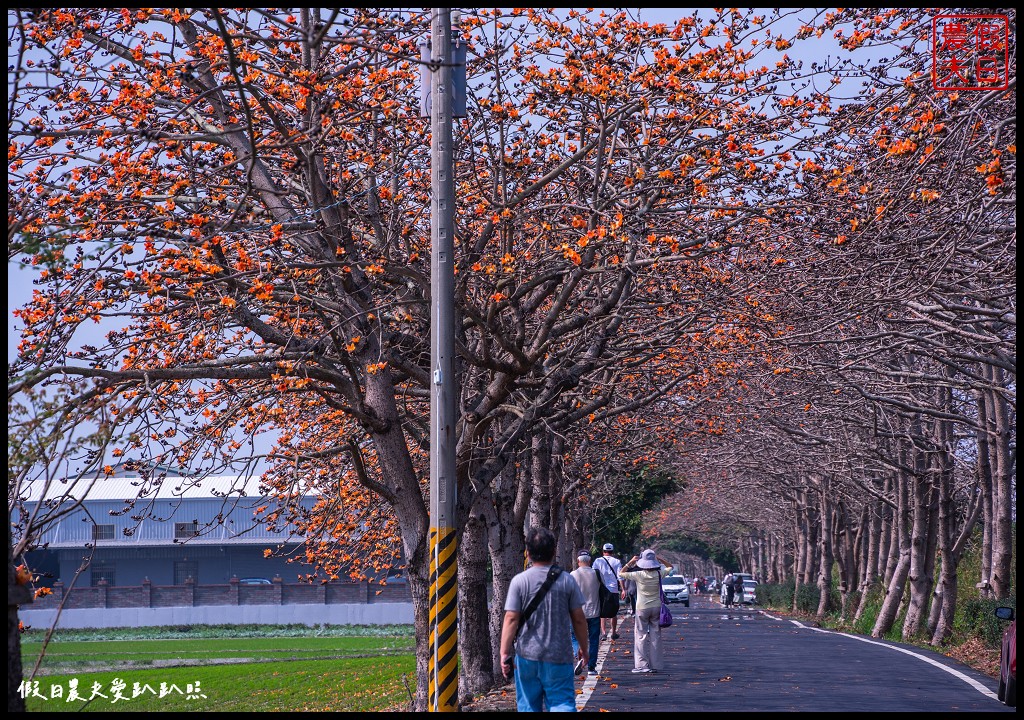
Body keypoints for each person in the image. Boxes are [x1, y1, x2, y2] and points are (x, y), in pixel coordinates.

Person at [500, 526, 589, 712]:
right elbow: (579, 619)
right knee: (562, 703)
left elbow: (510, 618)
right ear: (554, 551)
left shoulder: (519, 581)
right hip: (559, 655)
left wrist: (504, 653)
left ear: (528, 553)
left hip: (526, 656)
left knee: (528, 706)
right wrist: (583, 648)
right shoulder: (566, 580)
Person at [618, 548, 673, 674]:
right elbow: (670, 567)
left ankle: (642, 665)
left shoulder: (638, 575)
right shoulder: (659, 573)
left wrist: (630, 562)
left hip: (641, 608)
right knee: (656, 635)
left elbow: (621, 573)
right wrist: (660, 559)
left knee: (641, 635)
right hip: (657, 608)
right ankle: (656, 665)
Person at [569, 550, 602, 675]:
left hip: (576, 612)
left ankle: (581, 657)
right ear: (590, 561)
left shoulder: (572, 574)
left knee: (574, 637)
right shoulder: (596, 574)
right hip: (594, 611)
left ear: (578, 561)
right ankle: (591, 667)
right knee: (594, 639)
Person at [593, 543, 622, 640]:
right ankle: (613, 632)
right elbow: (620, 576)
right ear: (612, 552)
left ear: (603, 551)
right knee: (613, 612)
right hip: (613, 590)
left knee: (602, 611)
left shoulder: (598, 561)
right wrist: (623, 589)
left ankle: (604, 633)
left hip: (601, 589)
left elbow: (594, 573)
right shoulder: (617, 561)